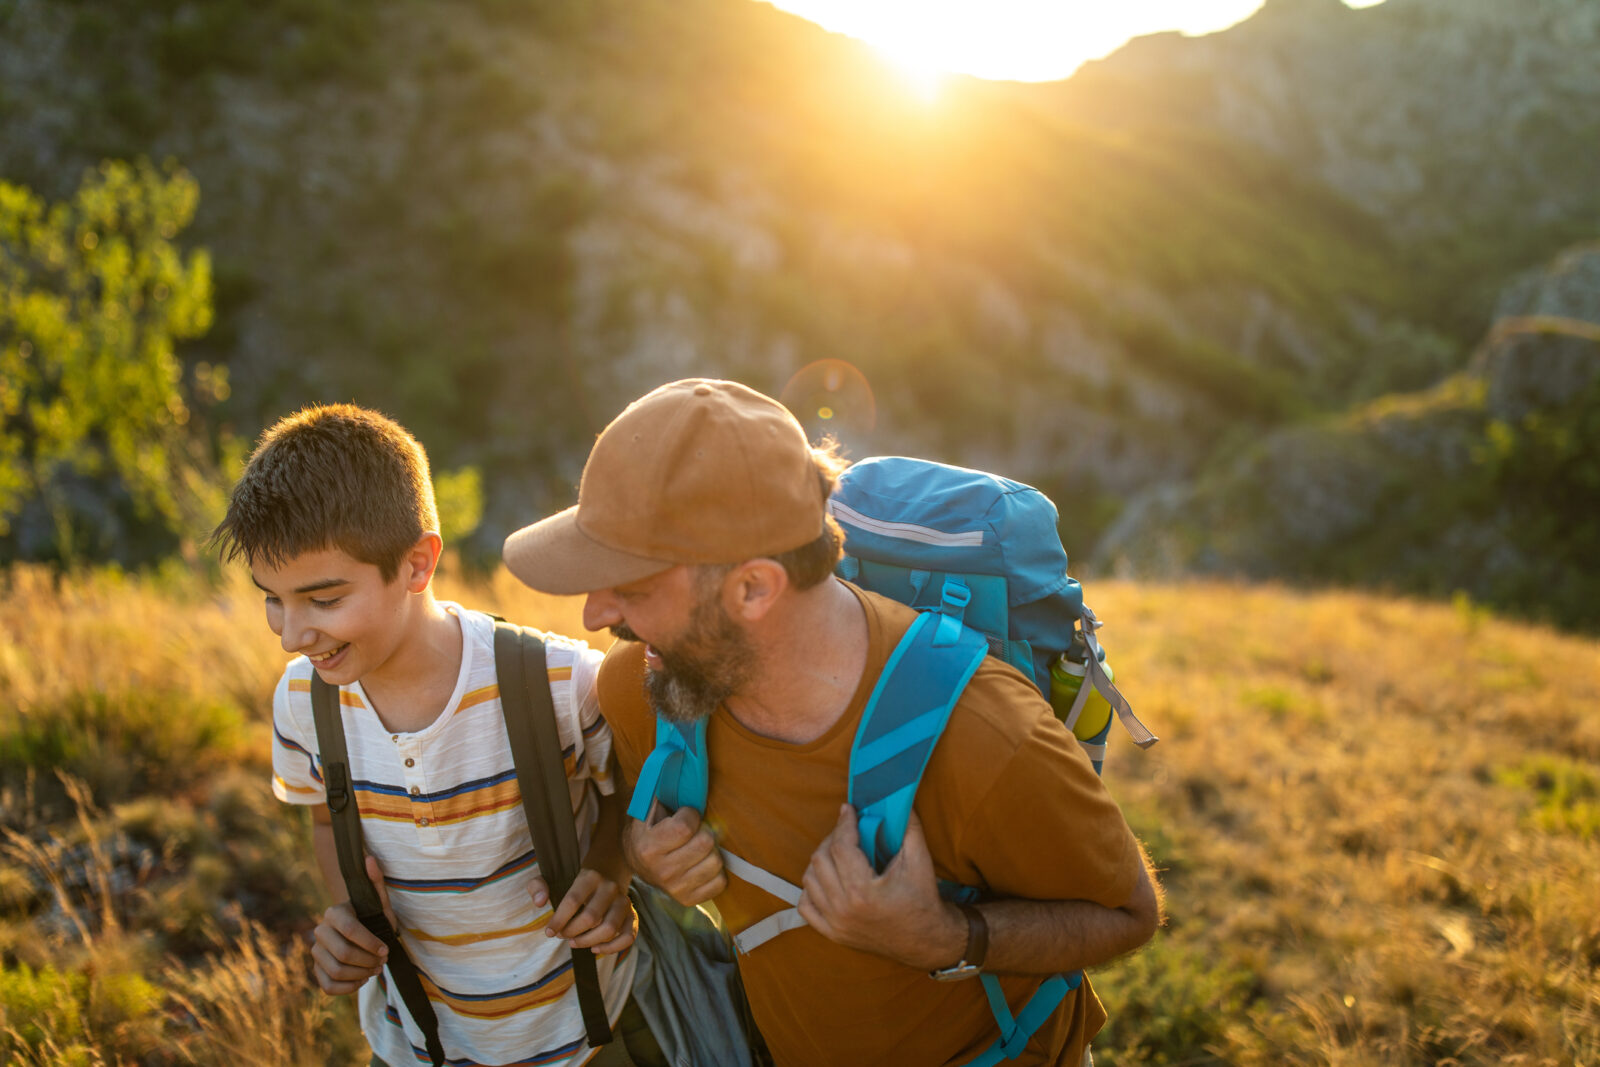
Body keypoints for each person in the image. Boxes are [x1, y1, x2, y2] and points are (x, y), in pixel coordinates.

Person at [501, 378, 1163, 1067]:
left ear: (754, 587)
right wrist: (639, 854)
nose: (593, 615)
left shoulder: (987, 735)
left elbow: (1128, 915)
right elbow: (641, 827)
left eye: (631, 587)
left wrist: (945, 937)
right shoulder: (644, 688)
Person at [213, 403, 659, 1067]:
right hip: (417, 1045)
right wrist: (350, 917)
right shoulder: (304, 702)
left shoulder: (558, 680)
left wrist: (609, 865)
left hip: (592, 1034)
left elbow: (633, 783)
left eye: (324, 599)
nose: (289, 634)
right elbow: (326, 819)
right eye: (272, 597)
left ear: (418, 564)